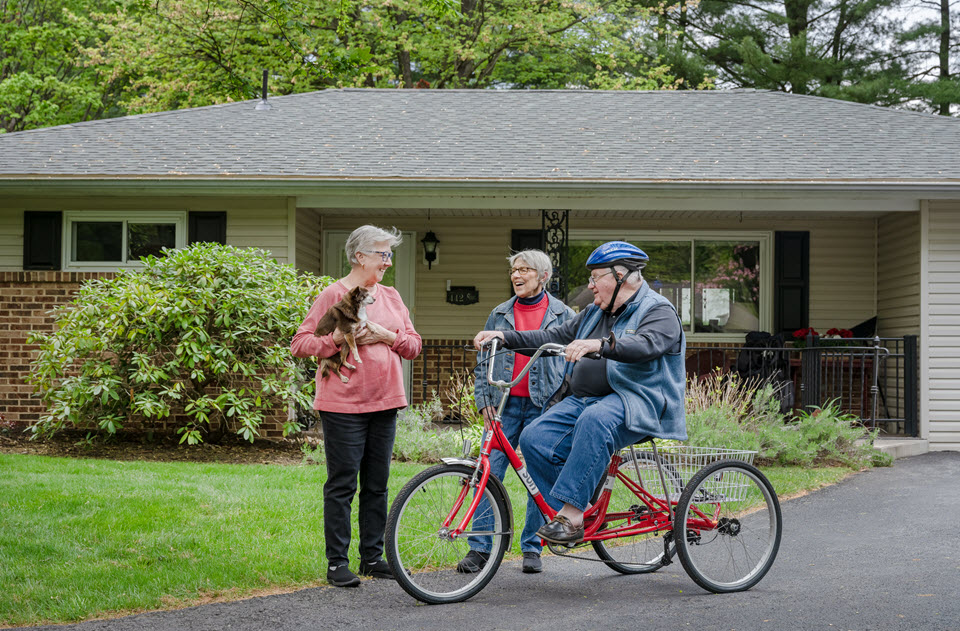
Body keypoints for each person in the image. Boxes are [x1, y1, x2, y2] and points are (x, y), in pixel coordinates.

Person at [473, 241, 686, 546]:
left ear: (620, 276)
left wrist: (599, 345)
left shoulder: (658, 310)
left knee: (595, 419)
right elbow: (552, 336)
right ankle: (577, 507)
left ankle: (571, 516)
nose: (590, 285)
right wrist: (504, 337)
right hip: (585, 399)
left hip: (636, 400)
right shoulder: (593, 313)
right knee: (535, 437)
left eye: (596, 277)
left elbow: (646, 344)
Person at [291, 225, 422, 588]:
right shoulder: (333, 294)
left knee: (377, 485)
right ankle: (337, 563)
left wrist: (387, 335)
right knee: (343, 484)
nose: (388, 261)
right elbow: (300, 344)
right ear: (359, 256)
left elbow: (413, 345)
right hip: (343, 405)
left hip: (386, 403)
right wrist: (334, 339)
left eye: (389, 254)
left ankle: (372, 556)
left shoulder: (392, 297)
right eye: (383, 254)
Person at [458, 250, 574, 576]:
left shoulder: (563, 315)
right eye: (514, 270)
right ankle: (480, 548)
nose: (517, 275)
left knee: (538, 478)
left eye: (524, 269)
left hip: (544, 406)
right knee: (486, 473)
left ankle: (533, 546)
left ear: (542, 276)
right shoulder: (499, 314)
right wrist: (484, 401)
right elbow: (485, 361)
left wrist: (560, 404)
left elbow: (572, 366)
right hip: (504, 405)